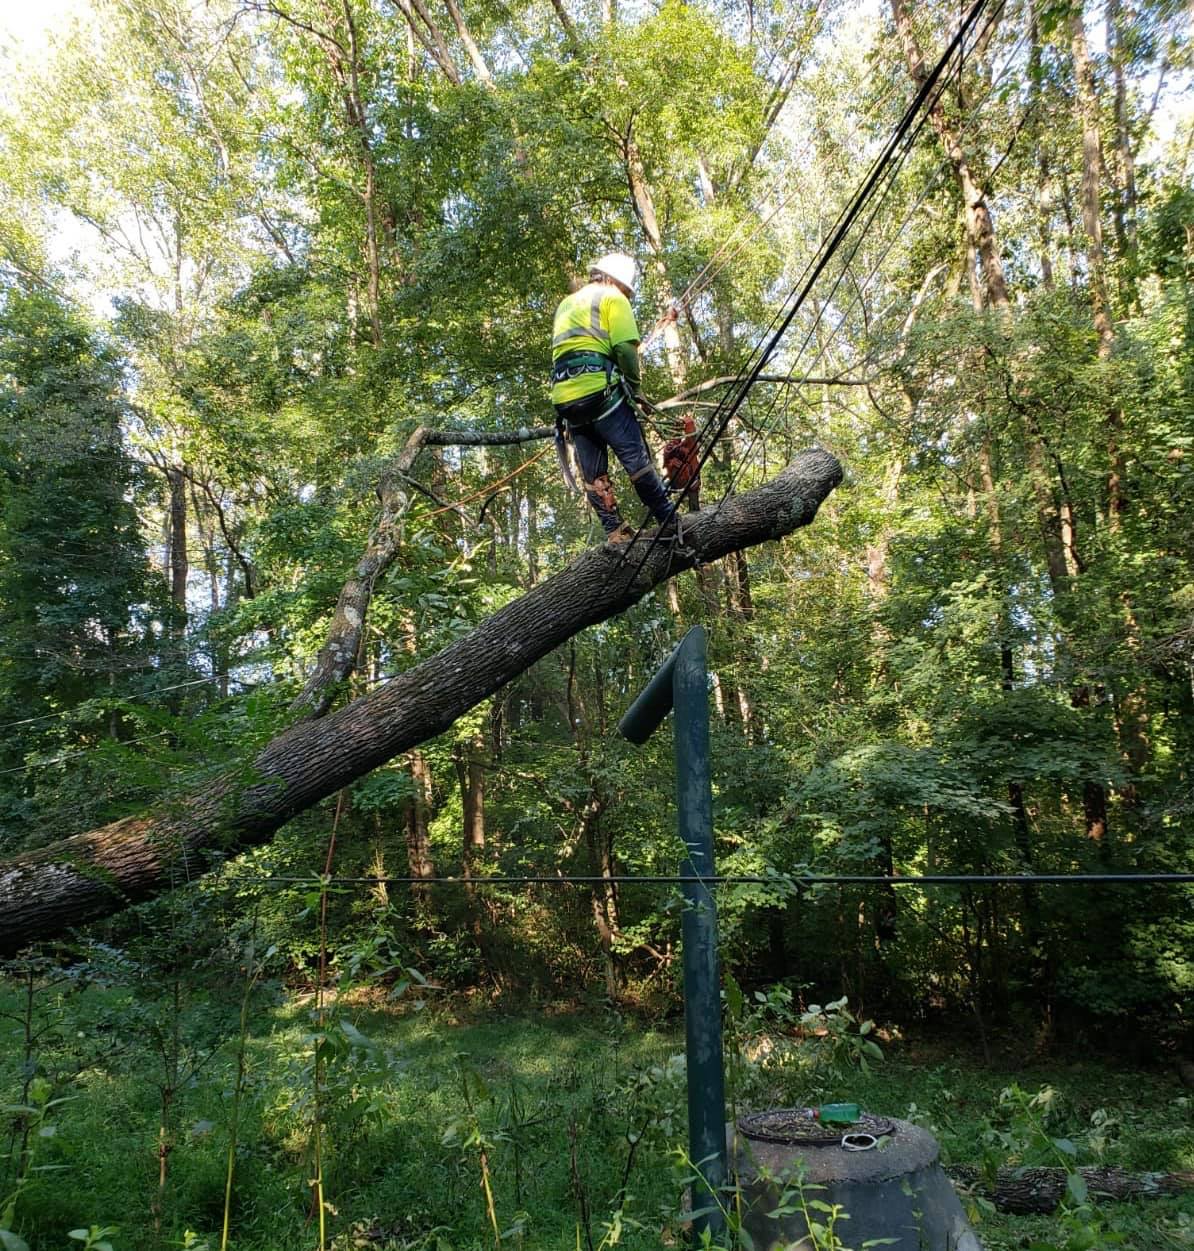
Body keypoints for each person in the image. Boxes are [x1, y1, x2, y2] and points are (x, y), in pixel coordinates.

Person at [550, 252, 676, 542]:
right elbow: (625, 350)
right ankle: (667, 518)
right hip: (600, 394)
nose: (627, 297)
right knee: (636, 460)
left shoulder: (566, 305)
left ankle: (614, 530)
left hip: (567, 402)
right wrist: (634, 388)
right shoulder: (613, 298)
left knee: (594, 476)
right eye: (628, 292)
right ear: (619, 283)